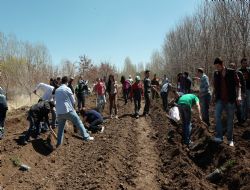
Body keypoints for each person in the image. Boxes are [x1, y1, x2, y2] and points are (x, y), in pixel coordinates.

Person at [55, 76, 93, 147]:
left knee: (60, 129)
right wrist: (73, 108)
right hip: (68, 110)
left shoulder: (57, 90)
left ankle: (59, 143)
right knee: (78, 122)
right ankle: (86, 137)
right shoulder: (67, 88)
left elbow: (56, 101)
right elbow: (74, 101)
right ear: (67, 82)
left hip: (59, 112)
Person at [213, 57, 240, 147]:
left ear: (222, 64)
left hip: (230, 99)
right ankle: (219, 136)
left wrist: (238, 96)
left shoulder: (232, 72)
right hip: (220, 99)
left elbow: (238, 85)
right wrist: (213, 97)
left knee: (230, 120)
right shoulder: (216, 73)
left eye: (217, 66)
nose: (216, 68)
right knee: (217, 116)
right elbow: (215, 86)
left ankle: (230, 139)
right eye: (215, 66)